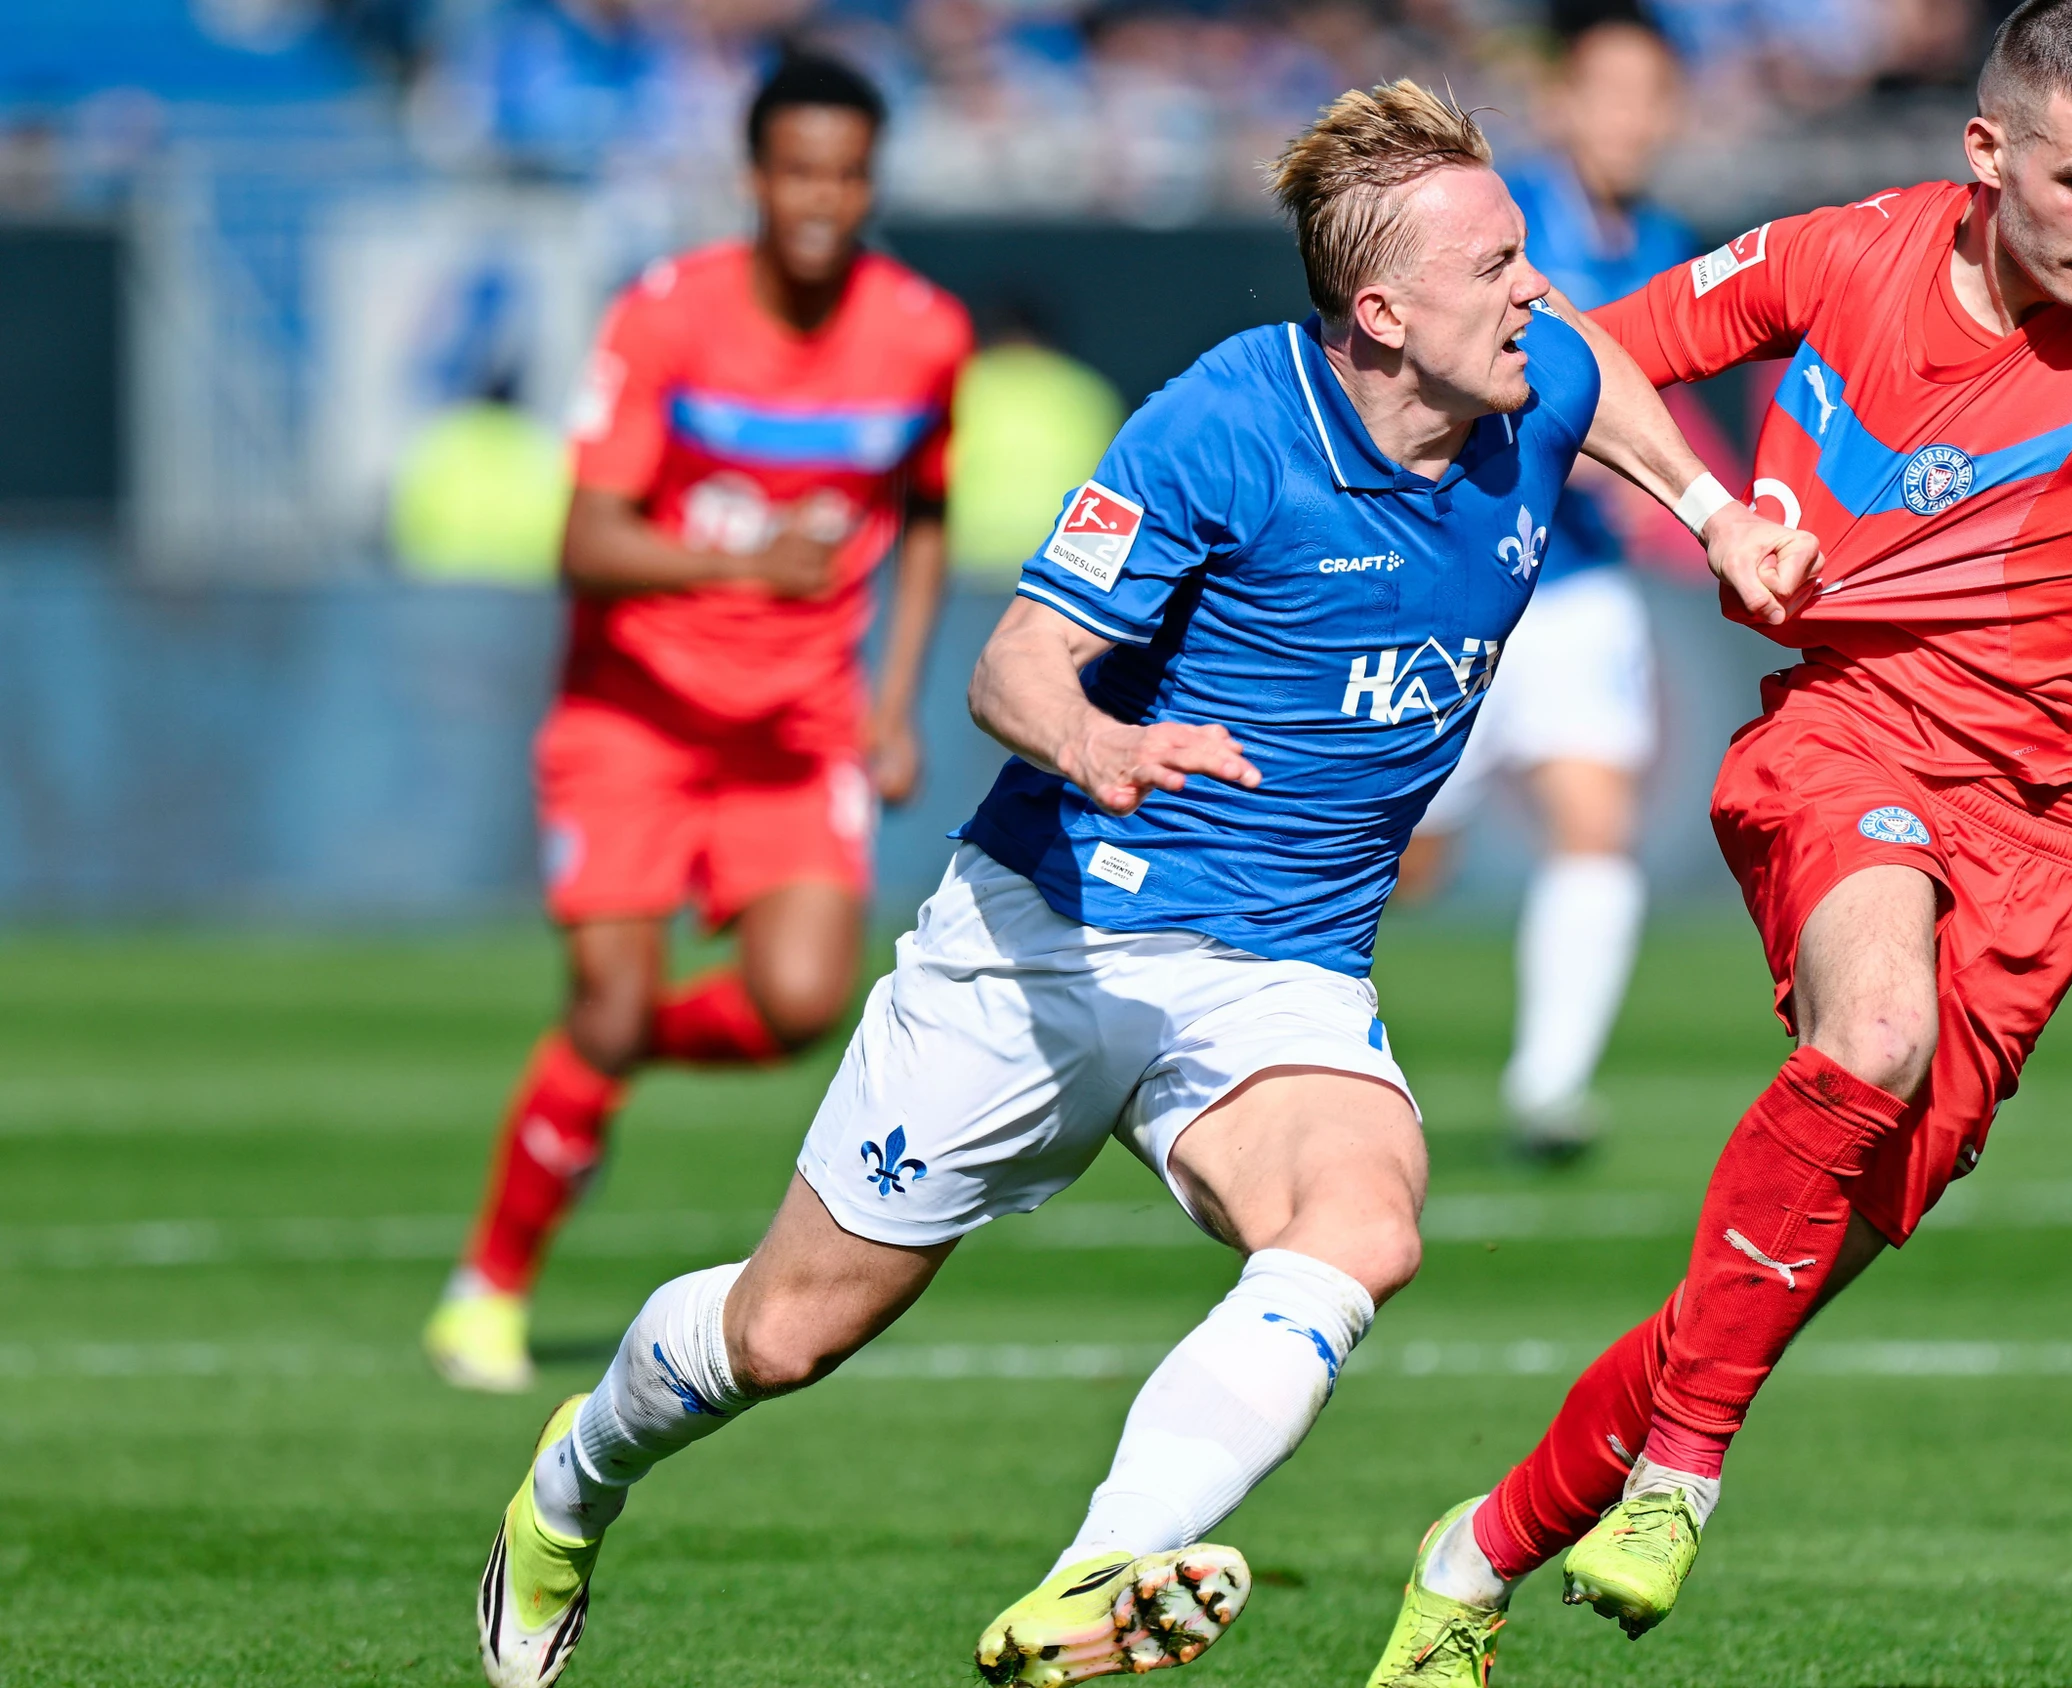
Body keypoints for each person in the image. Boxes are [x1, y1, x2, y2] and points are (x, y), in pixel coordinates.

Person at [469, 81, 1814, 1688]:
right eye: (1497, 266)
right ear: (1381, 314)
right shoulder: (1225, 425)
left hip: (1281, 971)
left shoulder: (1538, 374)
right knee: (784, 1335)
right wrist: (1100, 748)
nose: (1537, 291)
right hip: (1054, 933)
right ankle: (568, 1491)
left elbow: (1612, 385)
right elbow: (1016, 666)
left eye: (1527, 257)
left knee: (1362, 1220)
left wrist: (1721, 516)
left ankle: (1098, 1569)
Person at [1357, 3, 2072, 1679]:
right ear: (1986, 155)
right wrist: (1518, 436)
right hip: (1845, 735)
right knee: (1871, 1031)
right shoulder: (1838, 255)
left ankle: (1478, 1546)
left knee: (1756, 1291)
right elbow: (1591, 349)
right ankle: (1685, 1475)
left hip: (2046, 835)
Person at [423, 51, 968, 1395]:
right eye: (798, 172)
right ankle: (486, 1291)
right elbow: (584, 538)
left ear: (871, 182)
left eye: (846, 175)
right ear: (755, 177)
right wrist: (739, 568)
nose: (821, 201)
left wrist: (894, 705)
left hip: (796, 727)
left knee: (801, 1003)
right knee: (610, 992)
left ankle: (593, 1068)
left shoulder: (923, 334)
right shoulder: (665, 316)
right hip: (636, 717)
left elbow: (927, 513)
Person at [1397, 8, 1705, 1159]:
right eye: (1610, 92)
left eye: (1651, 97)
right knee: (1410, 858)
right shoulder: (1493, 221)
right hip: (1459, 577)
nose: (1631, 119)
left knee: (1596, 821)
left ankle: (1549, 1089)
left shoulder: (1666, 237)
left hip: (1578, 591)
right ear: (1565, 101)